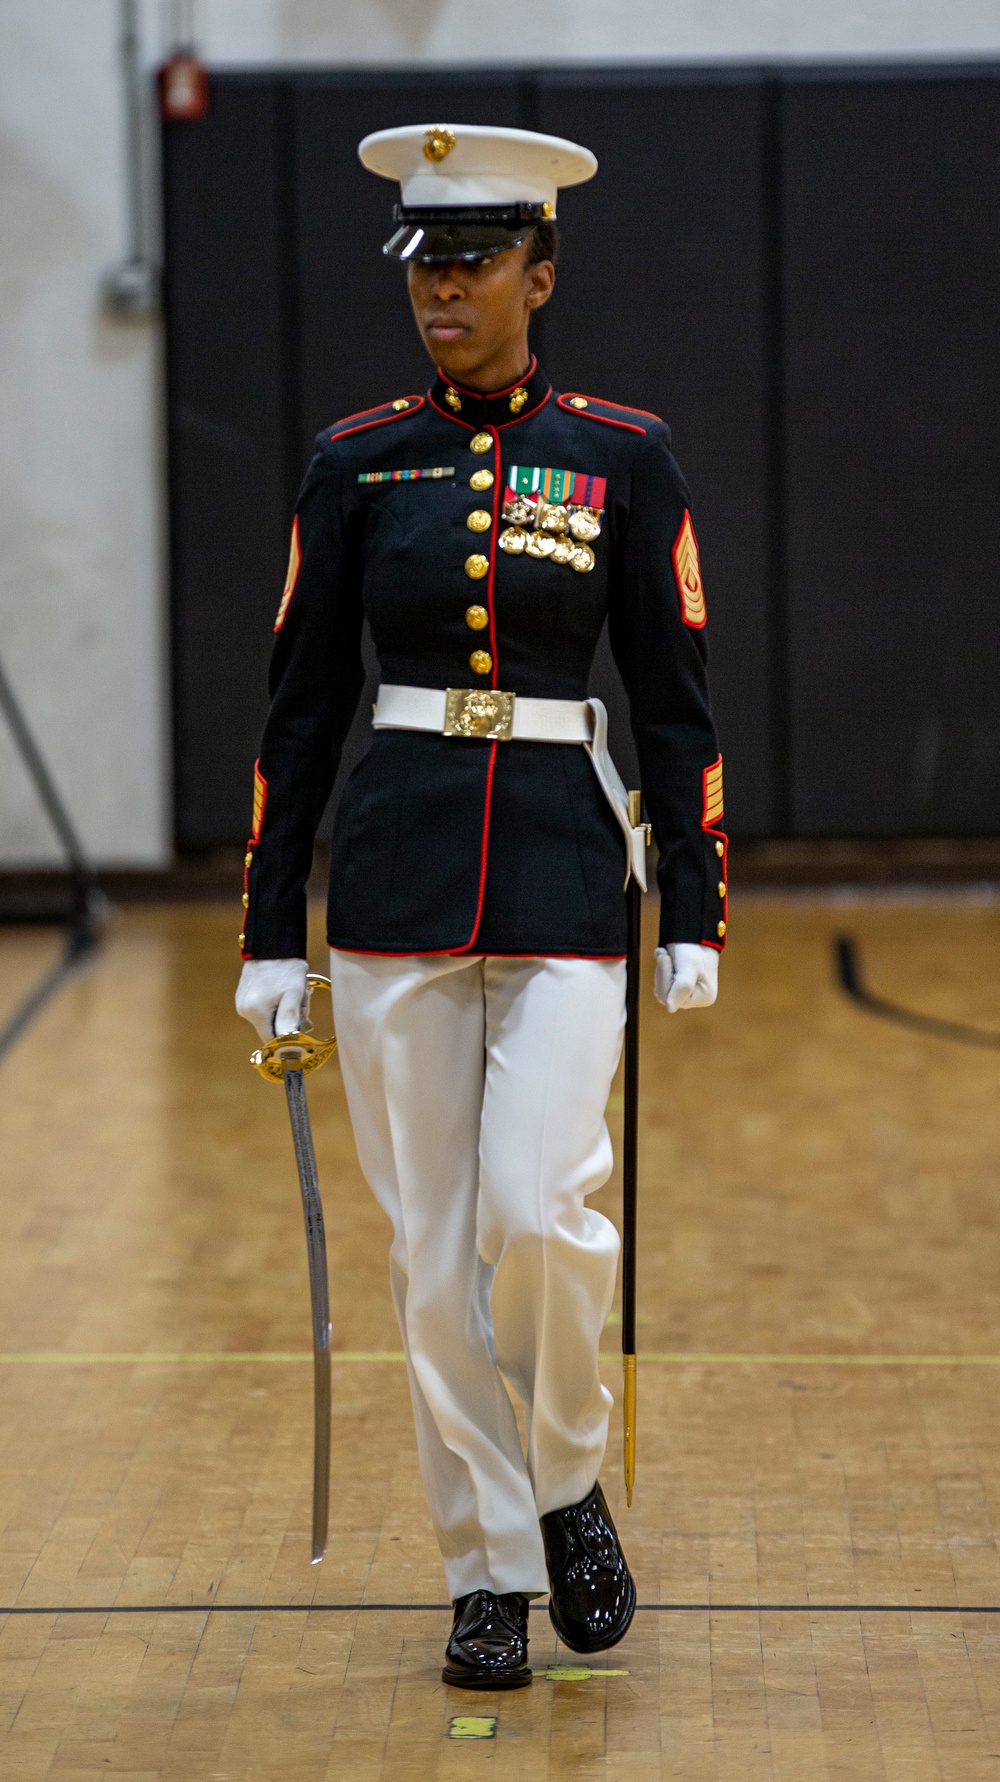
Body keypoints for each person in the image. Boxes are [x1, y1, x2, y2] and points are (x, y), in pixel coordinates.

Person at [235, 122, 726, 1691]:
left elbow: (679, 701)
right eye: (424, 263)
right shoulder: (357, 459)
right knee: (433, 1260)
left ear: (542, 271)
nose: (441, 289)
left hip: (573, 870)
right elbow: (297, 714)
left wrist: (696, 905)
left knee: (537, 1211)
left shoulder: (620, 457)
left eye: (472, 261)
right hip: (393, 880)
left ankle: (567, 1471)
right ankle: (489, 1564)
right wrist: (265, 931)